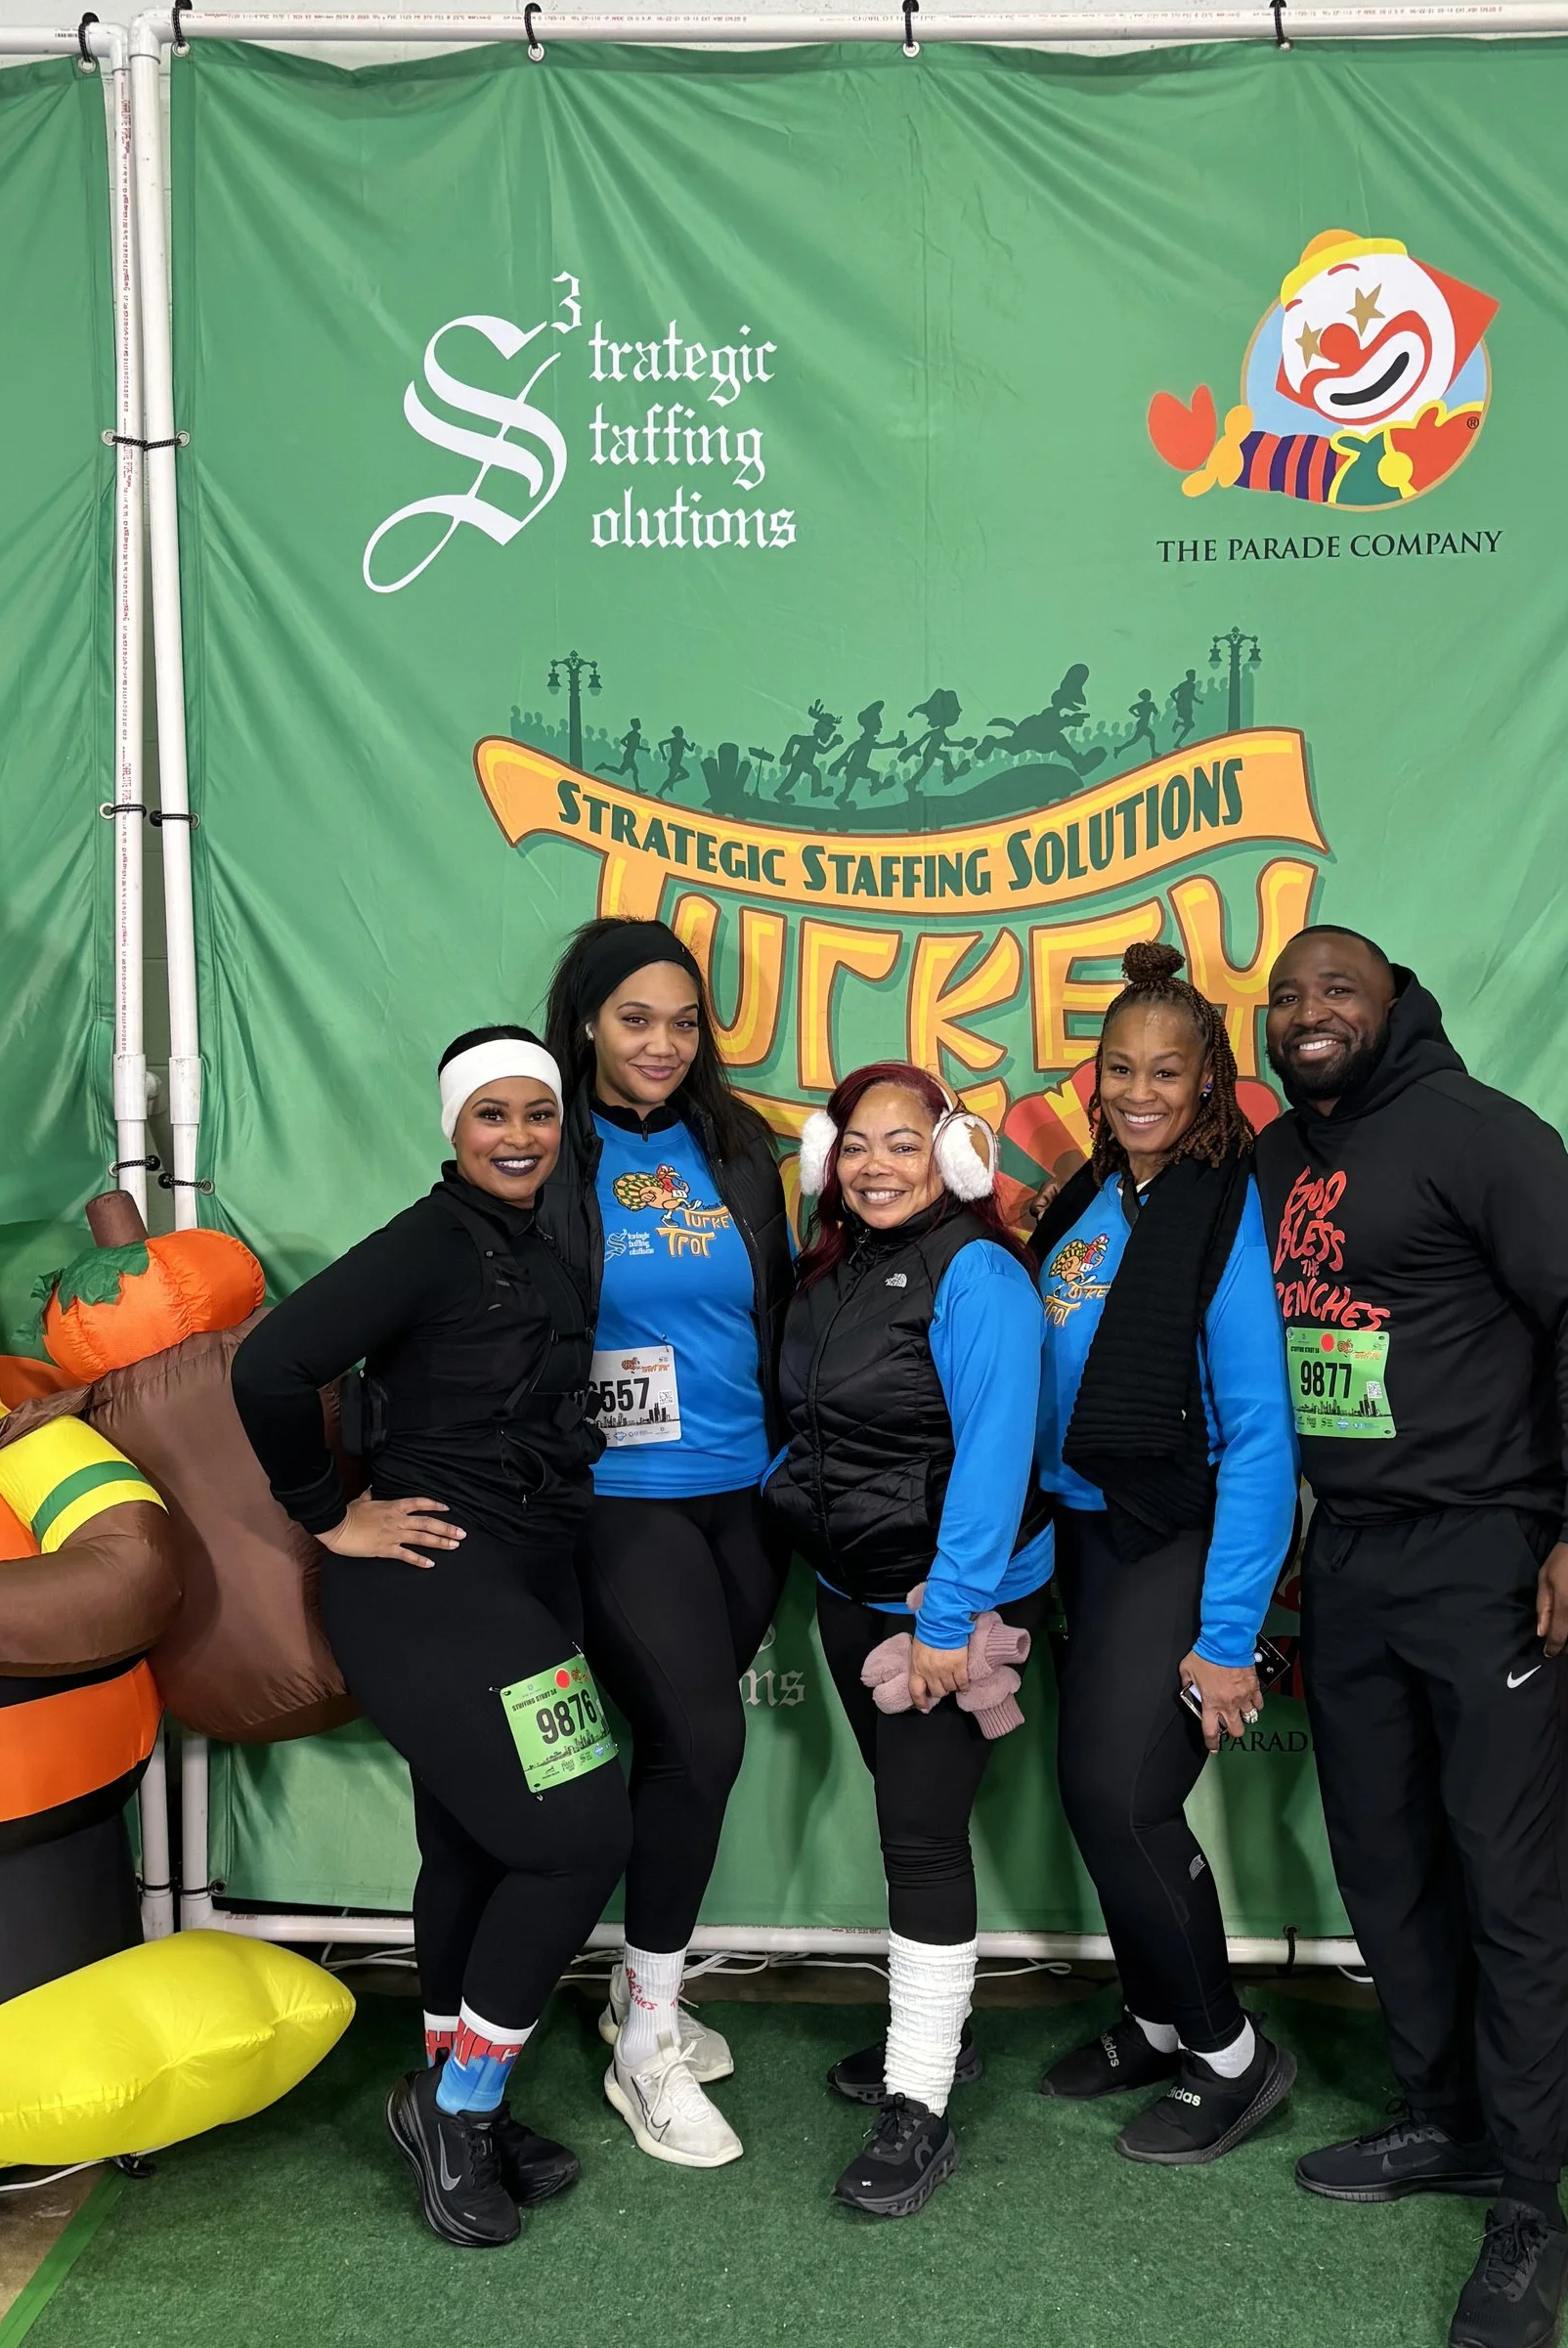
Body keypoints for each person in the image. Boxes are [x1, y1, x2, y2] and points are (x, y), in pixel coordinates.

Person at [1258, 926, 1568, 2348]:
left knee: (1509, 1880)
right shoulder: (1277, 1158)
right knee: (1382, 1857)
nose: (1309, 1011)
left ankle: (1531, 2203)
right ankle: (1444, 2117)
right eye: (1286, 995)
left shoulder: (1481, 1134)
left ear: (1395, 1005)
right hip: (1351, 1554)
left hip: (1490, 1554)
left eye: (1337, 989)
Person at [231, 1023, 620, 2252]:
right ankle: (462, 2112)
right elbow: (271, 1366)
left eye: (537, 1114)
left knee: (473, 1849)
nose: (519, 1136)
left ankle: (453, 2102)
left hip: (529, 1578)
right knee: (577, 1840)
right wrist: (326, 1515)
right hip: (429, 1582)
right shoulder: (432, 1239)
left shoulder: (540, 1239)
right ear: (453, 1128)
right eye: (491, 1115)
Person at [763, 1063, 1050, 2220]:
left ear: (955, 1157)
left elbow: (995, 1452)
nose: (877, 1166)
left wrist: (946, 1617)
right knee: (909, 1821)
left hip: (948, 1604)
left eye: (905, 1142)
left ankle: (918, 2103)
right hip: (849, 1589)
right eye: (857, 1144)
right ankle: (941, 2035)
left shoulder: (978, 1273)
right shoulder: (829, 1271)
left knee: (920, 1838)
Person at [1031, 942, 1298, 2162]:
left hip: (1174, 1539)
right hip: (1082, 1536)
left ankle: (1232, 2055)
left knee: (1125, 1797)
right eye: (1120, 1067)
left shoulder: (1223, 1211)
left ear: (1207, 1082)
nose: (1140, 1091)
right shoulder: (1086, 1202)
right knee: (1092, 1796)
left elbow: (1258, 1435)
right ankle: (1150, 2021)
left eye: (1167, 1071)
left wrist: (1228, 1635)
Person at [538, 916, 793, 2170]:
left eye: (684, 1022)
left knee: (677, 1759)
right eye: (635, 1018)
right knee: (702, 1743)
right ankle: (645, 2046)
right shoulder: (548, 1149)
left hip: (745, 1497)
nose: (662, 1043)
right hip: (621, 1499)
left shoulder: (738, 1147)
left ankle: (639, 1989)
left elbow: (777, 1306)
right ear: (587, 1020)